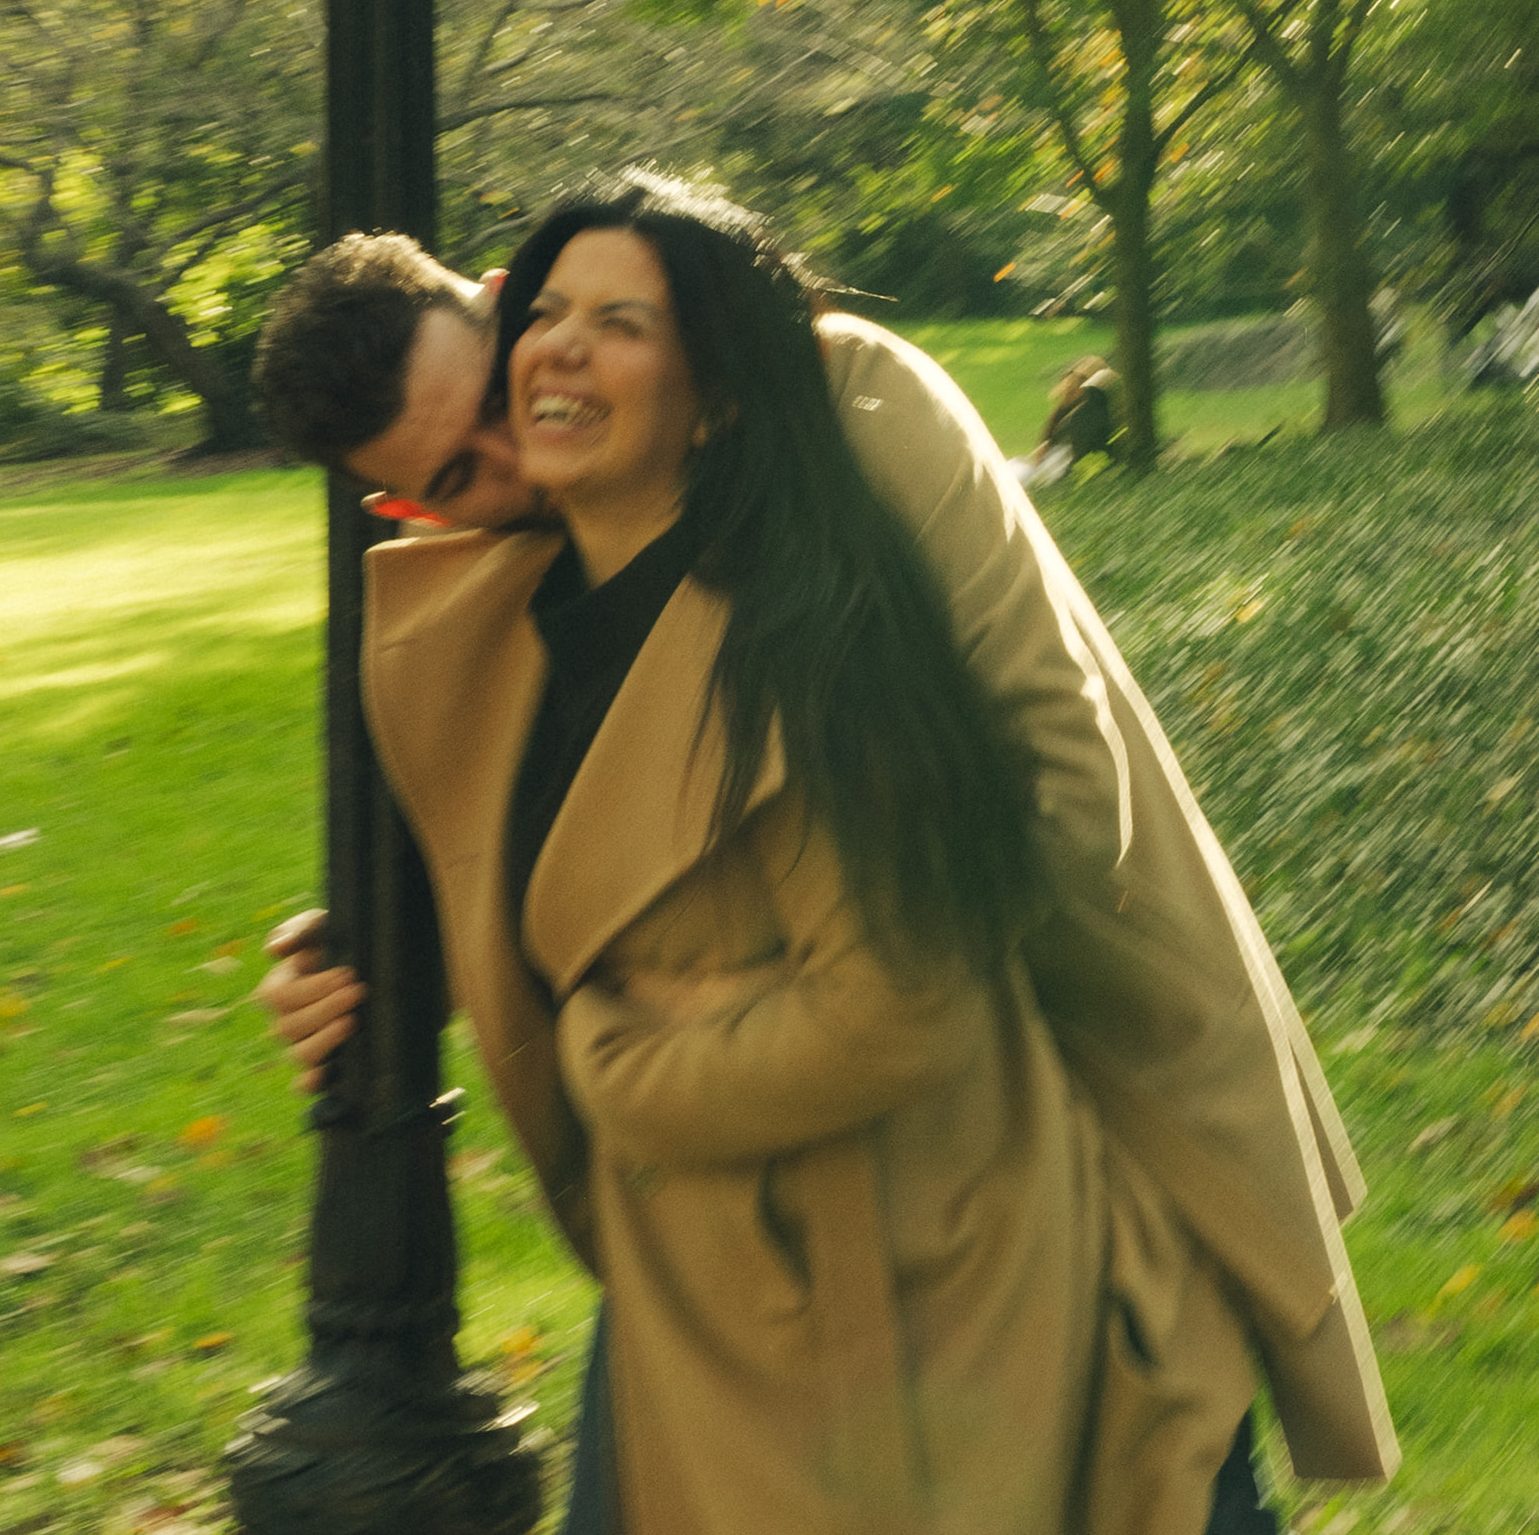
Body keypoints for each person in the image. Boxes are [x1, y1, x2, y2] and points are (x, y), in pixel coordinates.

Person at [252, 177, 1396, 1532]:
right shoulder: (495, 588)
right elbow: (590, 881)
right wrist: (381, 965)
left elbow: (1063, 791)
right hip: (729, 1254)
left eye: (498, 398)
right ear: (402, 511)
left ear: (506, 312)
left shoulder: (839, 402)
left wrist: (881, 1016)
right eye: (454, 477)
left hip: (1056, 1090)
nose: (516, 456)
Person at [1021, 356, 1121, 486]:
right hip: (1060, 456)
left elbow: (1081, 444)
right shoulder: (1066, 410)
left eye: (1074, 387)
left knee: (1044, 467)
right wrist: (1045, 447)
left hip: (1073, 458)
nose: (1067, 391)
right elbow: (1049, 434)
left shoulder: (1092, 408)